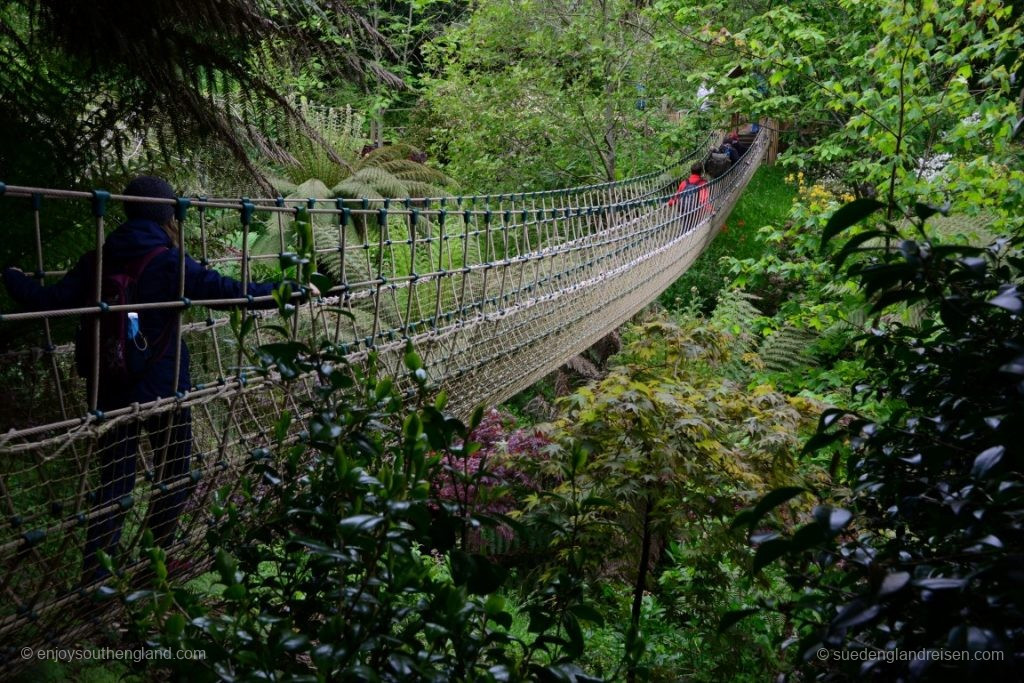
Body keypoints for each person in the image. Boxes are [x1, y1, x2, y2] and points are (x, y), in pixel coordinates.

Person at [2, 175, 298, 583]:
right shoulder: (169, 262)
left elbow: (46, 301)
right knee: (174, 471)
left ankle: (95, 579)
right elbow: (233, 292)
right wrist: (292, 289)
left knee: (114, 483)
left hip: (110, 386)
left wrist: (13, 275)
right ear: (166, 215)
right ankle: (154, 561)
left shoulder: (98, 260)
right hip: (164, 386)